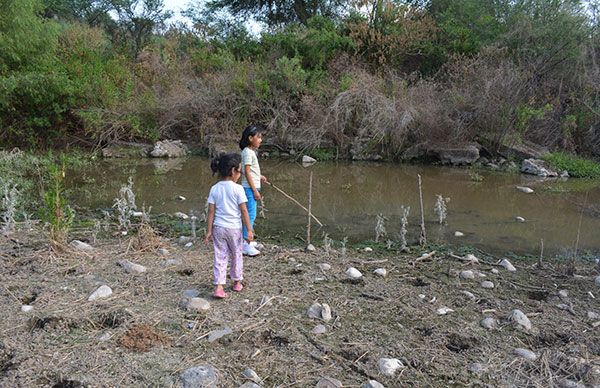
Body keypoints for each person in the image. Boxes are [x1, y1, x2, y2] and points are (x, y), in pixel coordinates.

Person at [204, 153, 253, 299]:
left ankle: (219, 287)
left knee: (220, 256)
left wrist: (208, 231)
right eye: (239, 171)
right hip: (234, 229)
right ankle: (237, 282)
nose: (240, 174)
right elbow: (244, 211)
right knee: (236, 254)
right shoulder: (238, 189)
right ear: (233, 171)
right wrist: (249, 230)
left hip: (218, 228)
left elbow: (211, 212)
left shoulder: (214, 189)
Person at [239, 124, 268, 256]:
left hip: (252, 186)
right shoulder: (247, 152)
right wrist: (255, 191)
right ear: (250, 138)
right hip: (250, 189)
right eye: (259, 137)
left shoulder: (250, 152)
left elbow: (251, 171)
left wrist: (259, 176)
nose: (260, 140)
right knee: (249, 215)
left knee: (251, 214)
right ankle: (246, 243)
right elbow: (247, 172)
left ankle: (246, 240)